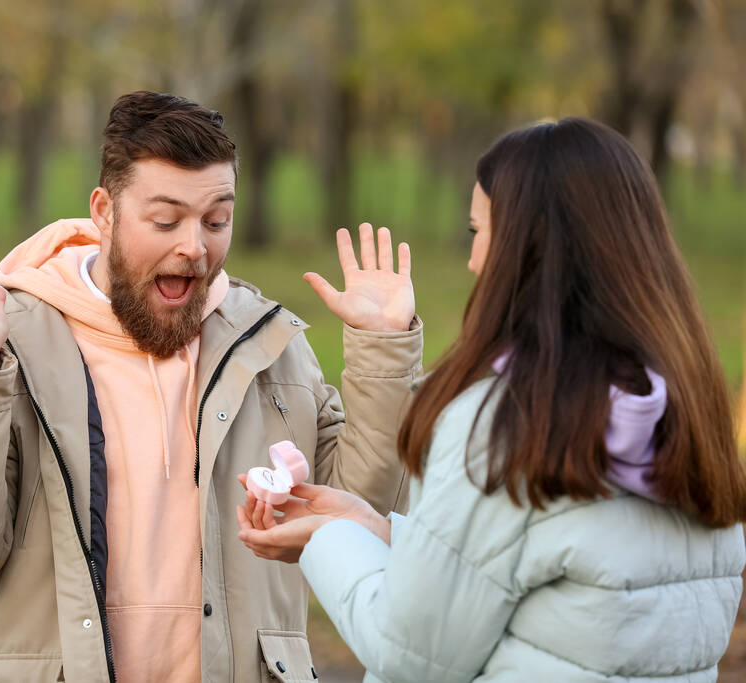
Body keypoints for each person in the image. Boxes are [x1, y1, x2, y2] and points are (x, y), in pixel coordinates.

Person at [0, 90, 423, 682]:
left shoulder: (272, 347)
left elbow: (365, 522)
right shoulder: (8, 343)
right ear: (105, 210)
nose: (194, 248)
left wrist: (382, 354)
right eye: (166, 220)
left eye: (216, 220)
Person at [236, 117, 746, 682]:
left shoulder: (508, 424)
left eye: (480, 231)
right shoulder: (686, 416)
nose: (475, 260)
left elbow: (409, 653)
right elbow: (551, 571)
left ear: (529, 246)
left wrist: (327, 540)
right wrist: (371, 528)